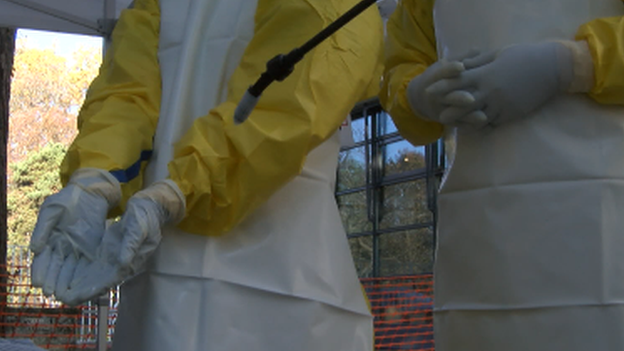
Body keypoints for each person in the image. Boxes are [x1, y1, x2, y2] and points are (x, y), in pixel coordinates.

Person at [28, 0, 384, 350]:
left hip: (281, 282)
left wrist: (178, 188)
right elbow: (125, 94)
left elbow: (291, 104)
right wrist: (94, 179)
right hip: (175, 275)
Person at [380, 0, 624, 350]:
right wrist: (414, 95)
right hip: (478, 238)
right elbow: (403, 58)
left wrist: (575, 63)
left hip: (603, 219)